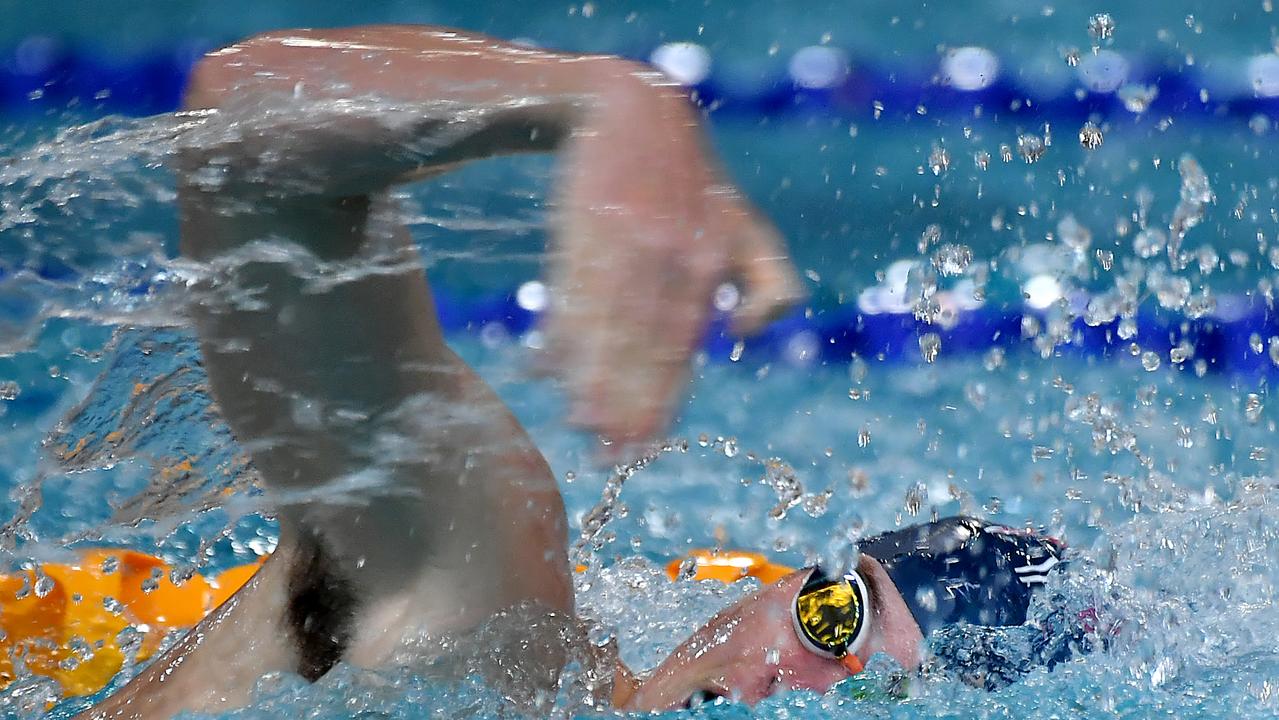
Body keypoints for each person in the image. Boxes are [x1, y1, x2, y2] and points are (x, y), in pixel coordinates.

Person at [70, 27, 1086, 719]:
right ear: (779, 588)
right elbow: (246, 138)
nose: (793, 689)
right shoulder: (490, 620)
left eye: (871, 702)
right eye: (834, 618)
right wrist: (596, 97)